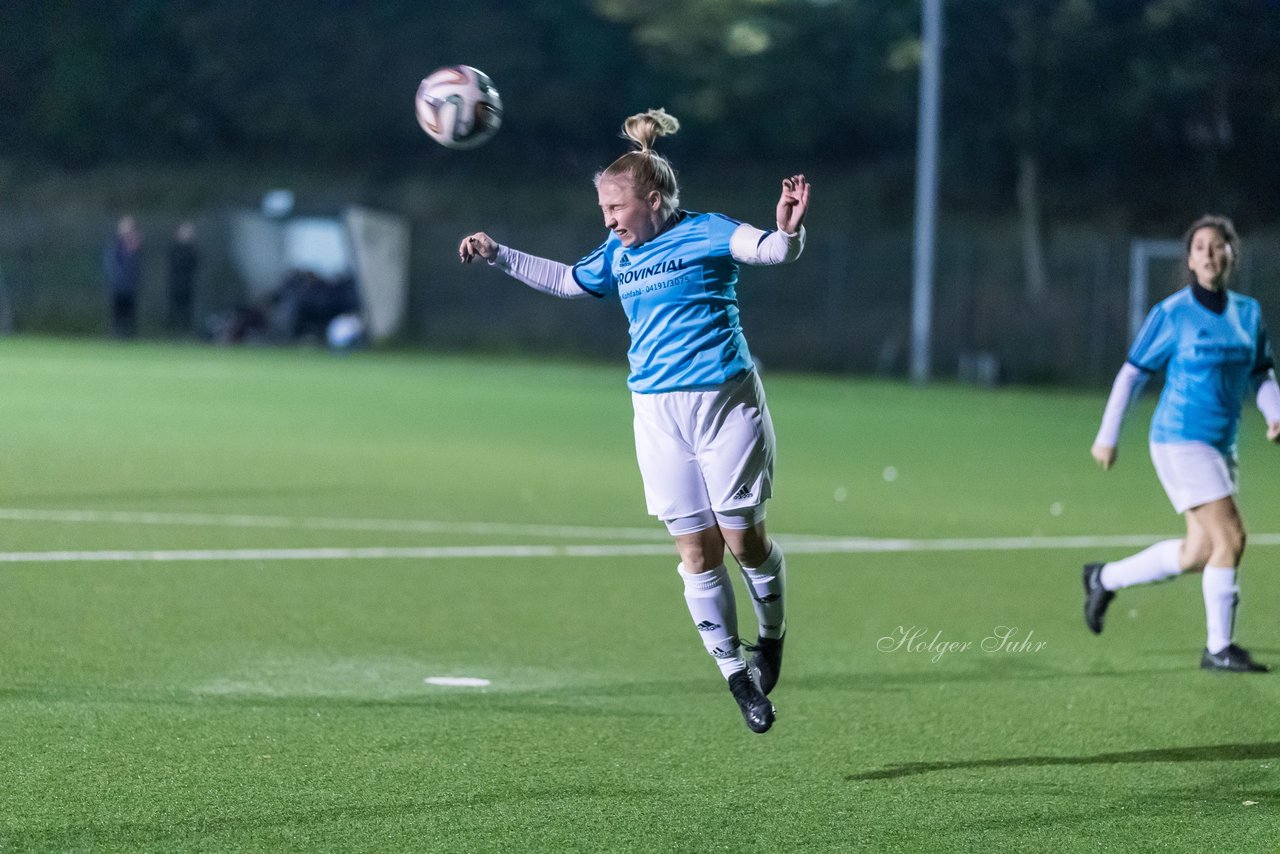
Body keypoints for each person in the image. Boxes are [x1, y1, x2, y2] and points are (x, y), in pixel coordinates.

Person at [458, 108, 810, 732]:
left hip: (726, 404)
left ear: (653, 200)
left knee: (743, 541)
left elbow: (767, 250)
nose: (609, 221)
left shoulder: (705, 231)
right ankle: (736, 675)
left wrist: (788, 232)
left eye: (616, 209)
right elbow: (569, 281)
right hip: (656, 414)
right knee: (697, 554)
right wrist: (498, 254)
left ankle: (772, 636)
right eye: (603, 213)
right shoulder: (619, 253)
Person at [1085, 214, 1280, 672]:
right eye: (1200, 248)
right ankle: (1218, 649)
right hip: (1178, 440)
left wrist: (1274, 411)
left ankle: (1103, 577)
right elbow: (1132, 373)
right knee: (1231, 537)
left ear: (1232, 253)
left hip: (1221, 445)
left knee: (1201, 552)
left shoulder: (1247, 313)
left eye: (1217, 246)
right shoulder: (1172, 314)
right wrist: (1107, 436)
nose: (1209, 254)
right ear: (1190, 261)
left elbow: (1261, 373)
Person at [104, 214, 143, 338]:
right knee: (117, 309)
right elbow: (111, 261)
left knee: (130, 309)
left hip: (131, 283)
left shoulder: (135, 243)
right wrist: (116, 275)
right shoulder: (115, 242)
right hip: (118, 282)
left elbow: (137, 262)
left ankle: (129, 334)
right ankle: (118, 333)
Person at [167, 220, 199, 334]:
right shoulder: (174, 248)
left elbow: (195, 265)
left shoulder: (193, 249)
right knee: (174, 309)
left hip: (188, 284)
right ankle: (173, 332)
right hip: (176, 284)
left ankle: (186, 332)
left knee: (187, 310)